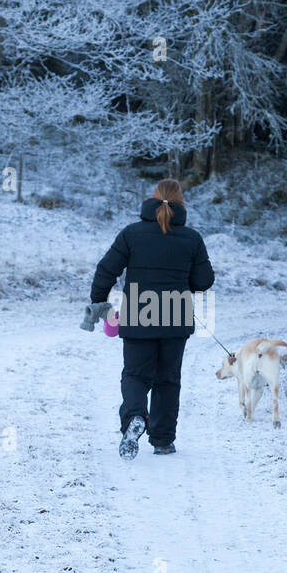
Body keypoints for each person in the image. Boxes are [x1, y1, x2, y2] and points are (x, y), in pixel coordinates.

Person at [89, 179, 215, 459]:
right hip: (175, 315)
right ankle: (162, 440)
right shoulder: (192, 238)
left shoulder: (131, 234)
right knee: (168, 380)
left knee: (135, 374)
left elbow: (106, 269)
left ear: (153, 199)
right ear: (181, 203)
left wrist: (99, 301)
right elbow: (204, 280)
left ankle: (135, 417)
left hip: (139, 314)